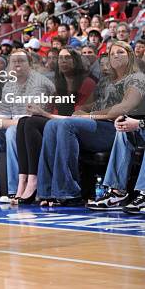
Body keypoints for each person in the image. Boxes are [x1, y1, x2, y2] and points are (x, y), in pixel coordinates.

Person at [38, 41, 145, 206]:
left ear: (130, 56)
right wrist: (81, 110)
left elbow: (124, 107)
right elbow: (93, 104)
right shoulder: (106, 80)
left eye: (121, 52)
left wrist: (89, 116)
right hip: (100, 124)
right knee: (52, 125)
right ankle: (47, 192)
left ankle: (69, 192)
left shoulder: (137, 78)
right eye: (112, 53)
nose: (115, 55)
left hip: (119, 129)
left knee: (68, 125)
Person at [15, 48, 95, 205]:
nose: (63, 61)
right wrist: (40, 111)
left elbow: (76, 117)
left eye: (67, 57)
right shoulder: (58, 84)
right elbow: (53, 111)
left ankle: (36, 181)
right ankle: (24, 179)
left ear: (76, 61)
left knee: (32, 122)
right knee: (23, 121)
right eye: (60, 58)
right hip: (57, 122)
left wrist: (43, 114)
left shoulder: (87, 83)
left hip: (77, 126)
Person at [0, 49, 55, 201]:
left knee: (12, 131)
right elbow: (2, 116)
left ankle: (15, 188)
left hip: (39, 131)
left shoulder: (39, 83)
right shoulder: (9, 86)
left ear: (30, 63)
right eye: (13, 61)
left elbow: (31, 121)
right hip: (18, 128)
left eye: (21, 60)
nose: (17, 64)